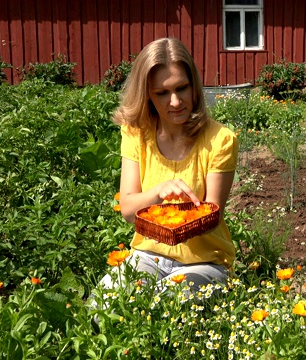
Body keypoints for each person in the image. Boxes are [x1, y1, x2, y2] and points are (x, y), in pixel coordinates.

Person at [98, 37, 238, 294]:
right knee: (104, 302)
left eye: (181, 88)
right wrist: (159, 192)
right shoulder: (136, 133)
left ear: (194, 86)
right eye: (162, 93)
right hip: (147, 256)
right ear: (147, 95)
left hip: (203, 262)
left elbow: (213, 216)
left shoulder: (220, 139)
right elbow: (128, 210)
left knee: (169, 302)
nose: (175, 102)